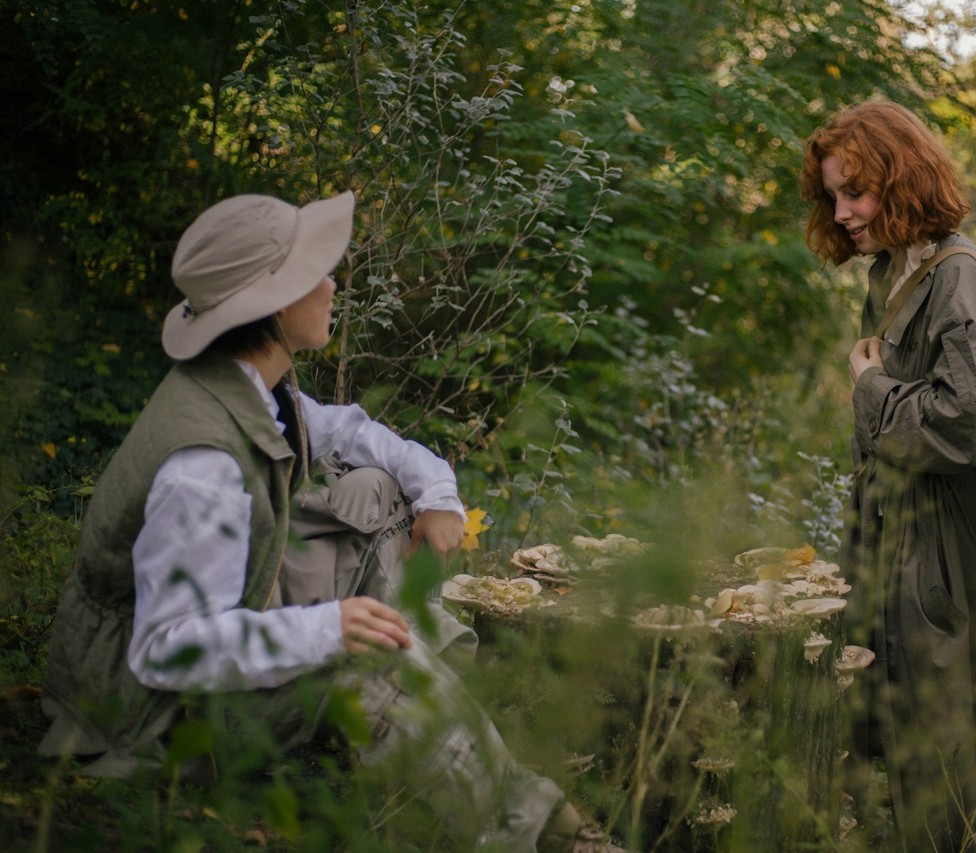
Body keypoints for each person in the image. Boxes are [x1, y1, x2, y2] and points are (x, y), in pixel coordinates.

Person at [38, 190, 615, 852]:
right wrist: (324, 628)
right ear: (274, 305)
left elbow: (353, 430)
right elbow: (168, 647)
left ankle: (492, 768)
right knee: (365, 662)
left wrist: (437, 494)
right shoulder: (204, 469)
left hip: (198, 665)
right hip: (145, 715)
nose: (334, 281)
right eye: (316, 272)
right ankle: (539, 835)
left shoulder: (246, 385)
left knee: (378, 489)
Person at [800, 101, 976, 852]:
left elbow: (970, 423)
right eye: (833, 196)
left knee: (967, 717)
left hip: (945, 539)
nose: (843, 212)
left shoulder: (957, 275)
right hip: (892, 530)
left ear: (901, 178)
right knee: (905, 722)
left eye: (857, 192)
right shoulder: (891, 272)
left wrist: (869, 386)